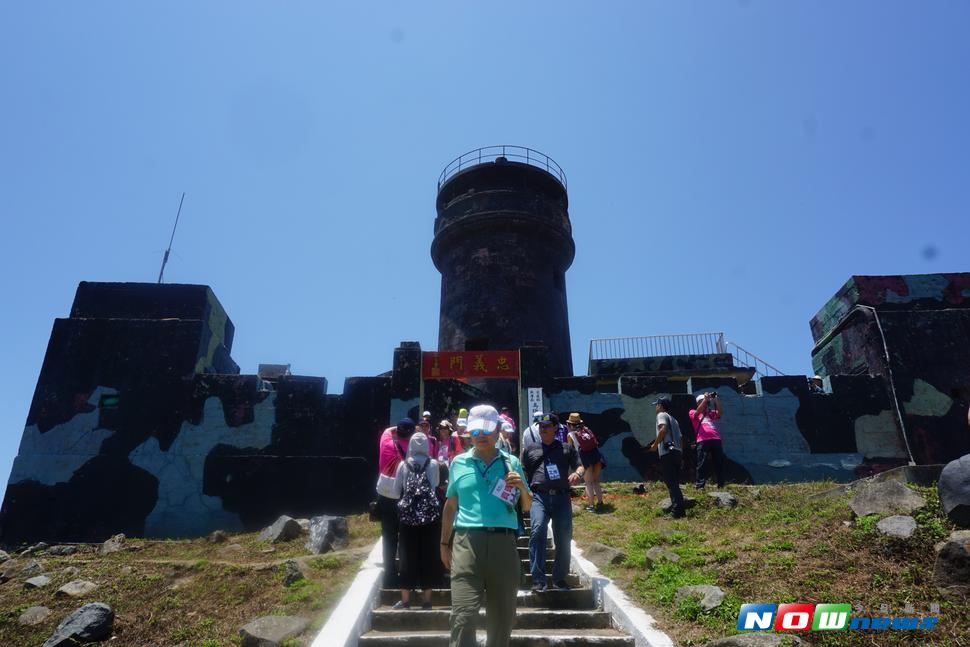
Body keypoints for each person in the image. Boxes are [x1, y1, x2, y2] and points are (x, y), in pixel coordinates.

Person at [440, 404, 532, 647]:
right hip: (466, 543)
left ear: (498, 430)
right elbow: (450, 506)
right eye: (476, 431)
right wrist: (443, 543)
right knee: (464, 615)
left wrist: (521, 487)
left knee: (502, 618)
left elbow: (527, 506)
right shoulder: (458, 463)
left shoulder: (511, 462)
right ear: (469, 432)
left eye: (487, 430)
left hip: (503, 543)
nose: (481, 435)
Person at [522, 412, 582, 592]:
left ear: (555, 428)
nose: (543, 429)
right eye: (540, 426)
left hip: (562, 497)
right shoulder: (530, 449)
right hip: (539, 497)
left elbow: (580, 465)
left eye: (547, 426)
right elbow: (523, 472)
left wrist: (577, 473)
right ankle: (538, 580)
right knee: (538, 530)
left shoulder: (566, 448)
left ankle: (559, 578)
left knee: (563, 538)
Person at [392, 431, 441, 609]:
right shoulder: (434, 464)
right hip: (429, 517)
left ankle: (405, 601)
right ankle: (427, 601)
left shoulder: (403, 465)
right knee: (428, 555)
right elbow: (434, 486)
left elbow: (397, 491)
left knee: (406, 556)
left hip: (408, 518)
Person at [374, 418, 415, 588]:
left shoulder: (386, 439)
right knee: (404, 537)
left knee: (388, 537)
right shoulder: (410, 448)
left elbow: (389, 429)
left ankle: (390, 577)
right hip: (402, 495)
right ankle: (406, 576)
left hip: (384, 495)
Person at [648, 396, 685, 518]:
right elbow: (680, 438)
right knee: (675, 483)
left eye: (657, 405)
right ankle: (680, 509)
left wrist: (655, 445)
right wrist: (680, 453)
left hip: (667, 453)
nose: (656, 407)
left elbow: (663, 430)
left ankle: (677, 512)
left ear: (661, 406)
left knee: (671, 483)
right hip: (677, 452)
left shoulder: (661, 415)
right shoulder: (674, 419)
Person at [566, 413, 605, 512]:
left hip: (585, 458)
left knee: (588, 483)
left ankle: (591, 506)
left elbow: (570, 450)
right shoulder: (587, 430)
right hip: (596, 455)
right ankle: (600, 502)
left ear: (570, 424)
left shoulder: (570, 435)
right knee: (596, 481)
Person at [689, 392, 726, 489]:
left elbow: (720, 413)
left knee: (719, 462)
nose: (705, 403)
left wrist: (716, 400)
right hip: (702, 440)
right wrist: (705, 400)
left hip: (716, 438)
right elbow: (697, 413)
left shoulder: (710, 413)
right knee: (702, 462)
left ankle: (721, 484)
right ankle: (700, 485)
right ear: (698, 403)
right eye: (702, 401)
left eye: (706, 401)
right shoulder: (692, 412)